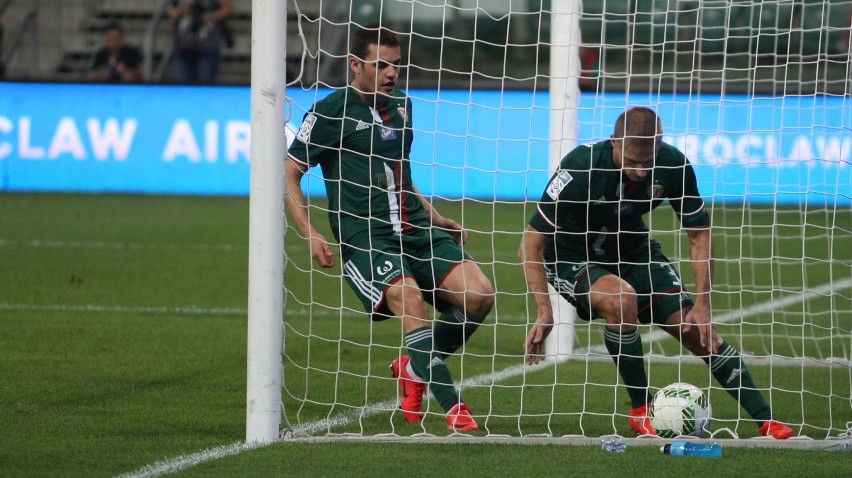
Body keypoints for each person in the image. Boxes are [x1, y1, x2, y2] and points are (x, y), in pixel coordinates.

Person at [519, 106, 795, 439]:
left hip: (634, 251)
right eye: (633, 161)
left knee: (695, 330)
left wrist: (704, 303)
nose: (641, 170)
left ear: (659, 145)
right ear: (614, 142)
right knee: (621, 300)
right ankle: (641, 410)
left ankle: (767, 421)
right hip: (572, 257)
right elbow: (530, 245)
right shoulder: (579, 168)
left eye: (648, 162)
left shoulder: (673, 164)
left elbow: (699, 234)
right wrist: (545, 311)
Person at [285, 23, 495, 432]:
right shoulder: (328, 113)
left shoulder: (402, 106)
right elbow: (290, 172)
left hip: (415, 228)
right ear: (354, 65)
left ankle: (413, 368)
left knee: (481, 296)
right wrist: (310, 231)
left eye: (396, 65)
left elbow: (399, 172)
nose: (391, 73)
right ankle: (454, 409)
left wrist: (436, 217)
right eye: (381, 65)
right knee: (410, 299)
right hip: (368, 237)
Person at [168, 0, 232, 84]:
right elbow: (173, 14)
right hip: (183, 48)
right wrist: (185, 10)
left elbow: (228, 9)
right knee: (181, 85)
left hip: (207, 47)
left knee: (204, 85)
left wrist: (207, 16)